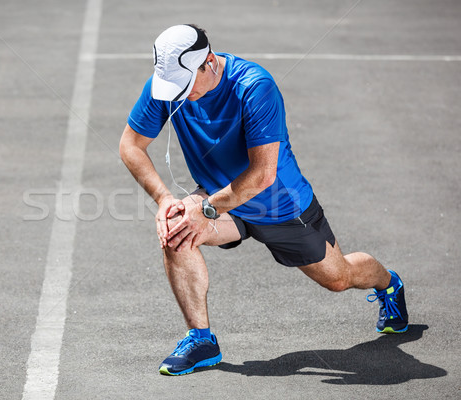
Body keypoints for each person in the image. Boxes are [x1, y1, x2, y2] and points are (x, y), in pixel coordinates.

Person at [119, 24, 409, 376]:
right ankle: (201, 338)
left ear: (209, 62)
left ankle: (388, 283)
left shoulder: (254, 87)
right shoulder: (166, 86)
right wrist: (165, 200)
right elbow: (131, 145)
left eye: (185, 84)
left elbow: (262, 174)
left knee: (338, 278)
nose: (178, 94)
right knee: (176, 229)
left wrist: (206, 209)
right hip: (219, 197)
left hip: (279, 204)